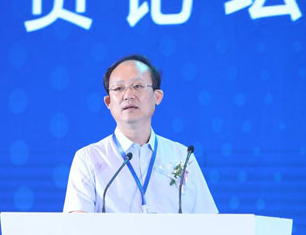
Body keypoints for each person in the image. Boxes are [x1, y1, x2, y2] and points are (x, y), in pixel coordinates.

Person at [63, 54, 217, 213]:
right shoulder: (88, 159)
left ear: (157, 96)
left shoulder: (183, 157)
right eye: (119, 88)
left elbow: (208, 222)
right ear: (108, 102)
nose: (128, 95)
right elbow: (77, 224)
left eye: (137, 86)